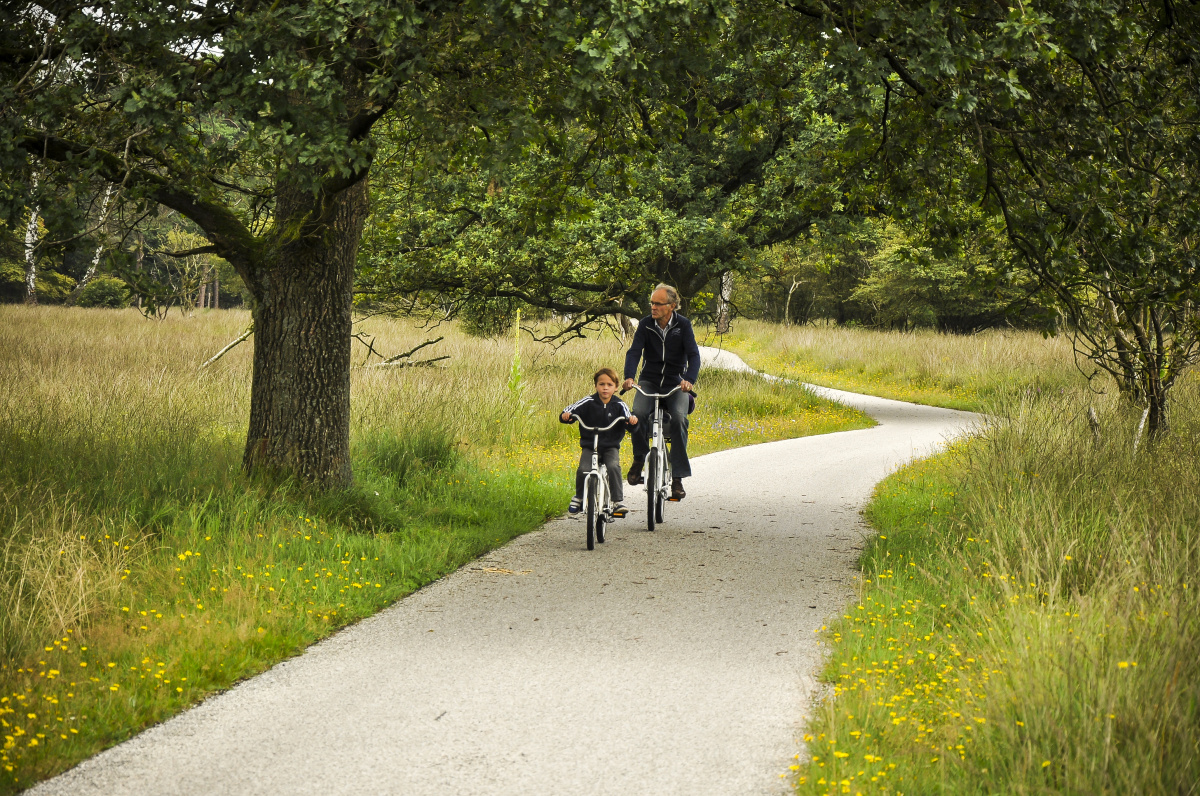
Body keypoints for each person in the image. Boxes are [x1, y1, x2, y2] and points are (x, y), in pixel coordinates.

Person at [622, 283, 700, 500]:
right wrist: (629, 376)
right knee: (636, 416)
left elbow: (694, 355)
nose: (653, 307)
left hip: (676, 383)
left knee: (678, 419)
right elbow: (635, 351)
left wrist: (689, 380)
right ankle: (639, 460)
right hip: (649, 380)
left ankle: (677, 478)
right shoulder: (646, 325)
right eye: (652, 303)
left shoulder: (683, 325)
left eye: (658, 303)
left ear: (672, 306)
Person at [560, 367, 637, 517]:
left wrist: (632, 421)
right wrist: (566, 415)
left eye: (609, 384)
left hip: (610, 447)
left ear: (615, 387)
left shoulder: (619, 405)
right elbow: (570, 410)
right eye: (601, 384)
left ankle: (617, 501)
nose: (605, 388)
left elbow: (630, 418)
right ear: (596, 386)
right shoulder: (588, 402)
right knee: (583, 469)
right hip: (590, 446)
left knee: (613, 466)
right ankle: (579, 497)